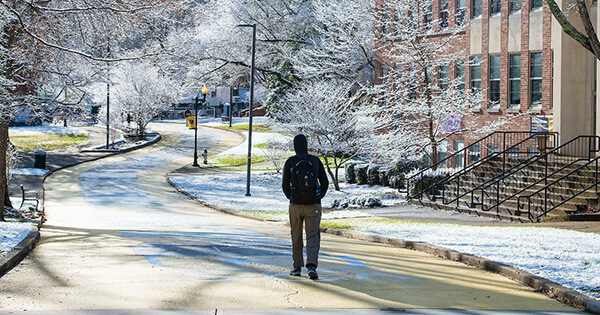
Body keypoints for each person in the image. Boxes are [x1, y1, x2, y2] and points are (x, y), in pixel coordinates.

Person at [282, 134, 329, 279]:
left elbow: (284, 184)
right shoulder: (315, 161)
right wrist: (317, 197)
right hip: (313, 205)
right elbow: (325, 182)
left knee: (296, 235)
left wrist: (291, 197)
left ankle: (297, 266)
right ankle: (312, 266)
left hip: (295, 204)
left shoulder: (291, 162)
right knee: (313, 235)